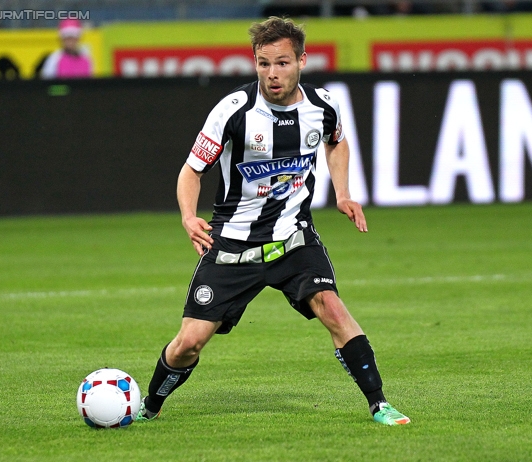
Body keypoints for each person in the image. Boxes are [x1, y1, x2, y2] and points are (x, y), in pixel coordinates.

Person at [137, 16, 410, 426]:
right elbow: (192, 170)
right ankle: (148, 407)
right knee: (188, 344)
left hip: (293, 238)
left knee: (334, 311)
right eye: (263, 64)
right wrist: (188, 217)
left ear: (302, 60)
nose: (272, 73)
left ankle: (379, 404)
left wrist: (344, 192)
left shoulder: (323, 106)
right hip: (232, 244)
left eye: (282, 63)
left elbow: (337, 142)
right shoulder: (234, 111)